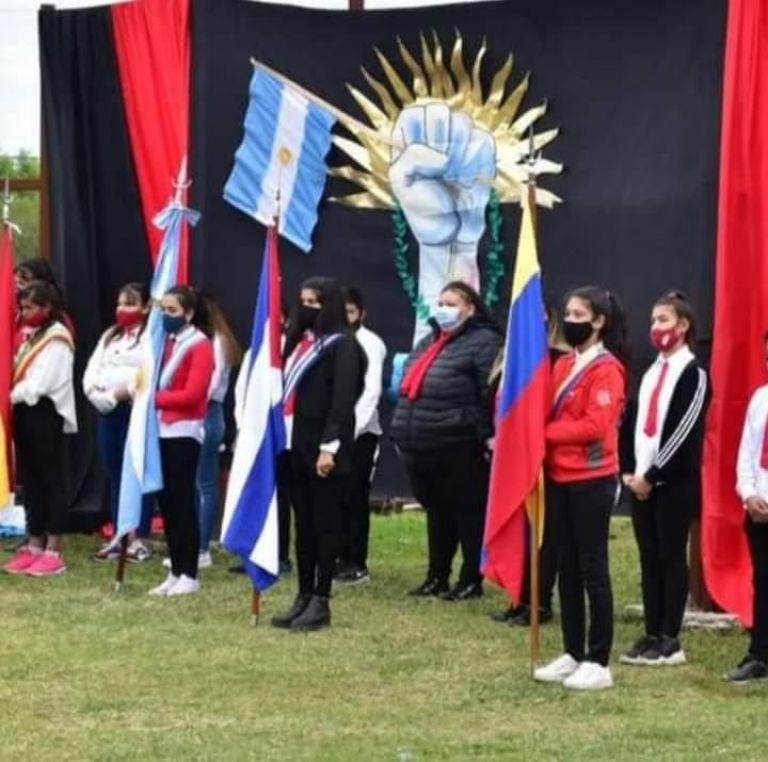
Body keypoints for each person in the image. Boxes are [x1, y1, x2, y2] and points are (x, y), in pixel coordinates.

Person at [533, 286, 628, 691]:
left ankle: (598, 658)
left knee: (592, 568)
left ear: (598, 321)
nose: (570, 321)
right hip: (559, 477)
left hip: (592, 479)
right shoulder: (562, 365)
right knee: (565, 566)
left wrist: (544, 433)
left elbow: (595, 426)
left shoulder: (607, 369)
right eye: (567, 314)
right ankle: (573, 650)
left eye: (578, 315)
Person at [391, 282, 502, 601]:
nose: (443, 308)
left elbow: (489, 392)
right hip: (423, 442)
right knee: (437, 512)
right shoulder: (431, 339)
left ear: (470, 308)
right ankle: (436, 575)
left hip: (459, 442)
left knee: (467, 512)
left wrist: (485, 434)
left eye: (451, 303)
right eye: (440, 302)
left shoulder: (483, 342)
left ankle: (470, 578)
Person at [620, 291, 710, 667]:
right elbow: (633, 424)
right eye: (654, 321)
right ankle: (652, 630)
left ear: (683, 326)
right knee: (649, 556)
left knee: (671, 556)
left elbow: (682, 431)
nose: (656, 328)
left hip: (673, 483)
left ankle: (671, 637)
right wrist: (629, 469)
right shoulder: (651, 371)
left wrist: (653, 476)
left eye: (664, 321)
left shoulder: (694, 373)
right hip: (640, 480)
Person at [270, 277, 364, 632]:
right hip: (296, 446)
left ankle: (322, 599)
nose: (306, 307)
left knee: (325, 526)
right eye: (303, 300)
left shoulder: (343, 346)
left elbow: (342, 402)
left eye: (314, 302)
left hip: (325, 450)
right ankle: (304, 593)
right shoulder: (300, 343)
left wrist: (330, 447)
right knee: (303, 525)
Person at [490, 304, 564, 625]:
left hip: (540, 457)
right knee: (516, 527)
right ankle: (517, 595)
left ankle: (539, 600)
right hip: (507, 455)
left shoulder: (557, 358)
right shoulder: (508, 356)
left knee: (541, 531)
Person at [4, 281, 77, 576]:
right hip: (22, 413)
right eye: (22, 307)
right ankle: (34, 542)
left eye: (30, 307)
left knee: (50, 481)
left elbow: (41, 383)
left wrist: (7, 395)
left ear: (47, 308)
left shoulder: (57, 338)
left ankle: (53, 548)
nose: (25, 312)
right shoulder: (29, 337)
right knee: (31, 481)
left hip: (44, 412)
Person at [148, 286, 214, 597]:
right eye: (163, 309)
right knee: (169, 506)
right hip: (161, 430)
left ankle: (190, 571)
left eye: (172, 310)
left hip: (184, 431)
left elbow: (193, 394)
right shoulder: (166, 342)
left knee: (183, 503)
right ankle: (175, 570)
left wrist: (153, 398)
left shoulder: (199, 345)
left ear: (188, 313)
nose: (165, 315)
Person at [83, 283, 154, 562]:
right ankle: (119, 535)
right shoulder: (110, 336)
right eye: (120, 303)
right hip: (107, 412)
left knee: (136, 472)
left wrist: (118, 393)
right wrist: (95, 394)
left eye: (130, 303)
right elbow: (91, 371)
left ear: (146, 307)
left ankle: (139, 536)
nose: (122, 309)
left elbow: (146, 375)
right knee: (115, 474)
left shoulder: (151, 337)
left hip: (134, 410)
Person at [335, 286, 386, 585]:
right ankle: (337, 555)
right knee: (335, 497)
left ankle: (356, 562)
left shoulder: (370, 343)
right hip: (332, 433)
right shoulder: (329, 340)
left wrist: (348, 431)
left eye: (351, 312)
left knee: (355, 497)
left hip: (360, 434)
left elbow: (371, 392)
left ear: (362, 314)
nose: (345, 317)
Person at [729, 330, 768, 682]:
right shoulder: (760, 398)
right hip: (759, 508)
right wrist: (749, 493)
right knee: (763, 580)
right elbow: (747, 453)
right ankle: (760, 653)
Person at [195, 293, 241, 569]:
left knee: (206, 483)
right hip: (193, 413)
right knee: (194, 482)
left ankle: (202, 547)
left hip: (208, 411)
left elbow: (210, 385)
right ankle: (196, 540)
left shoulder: (219, 343)